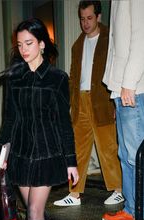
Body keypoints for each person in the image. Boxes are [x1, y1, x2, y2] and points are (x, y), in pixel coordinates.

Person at [0, 18, 79, 220]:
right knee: (33, 208)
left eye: (29, 43)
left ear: (42, 43)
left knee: (32, 213)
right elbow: (10, 118)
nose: (24, 49)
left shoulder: (57, 79)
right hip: (20, 151)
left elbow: (64, 124)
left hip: (47, 152)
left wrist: (71, 160)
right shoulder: (13, 78)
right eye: (19, 45)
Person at [54, 0, 123, 207]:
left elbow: (116, 69)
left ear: (99, 17)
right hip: (81, 102)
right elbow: (74, 76)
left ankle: (118, 190)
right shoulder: (78, 44)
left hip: (102, 101)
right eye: (82, 19)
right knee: (77, 148)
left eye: (89, 18)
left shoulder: (110, 38)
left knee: (108, 148)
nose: (85, 23)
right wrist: (69, 103)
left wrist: (115, 101)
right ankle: (74, 194)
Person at [102, 0, 144, 220]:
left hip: (134, 86)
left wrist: (128, 83)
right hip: (122, 88)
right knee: (125, 155)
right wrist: (116, 90)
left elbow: (140, 40)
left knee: (137, 157)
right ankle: (131, 209)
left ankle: (141, 216)